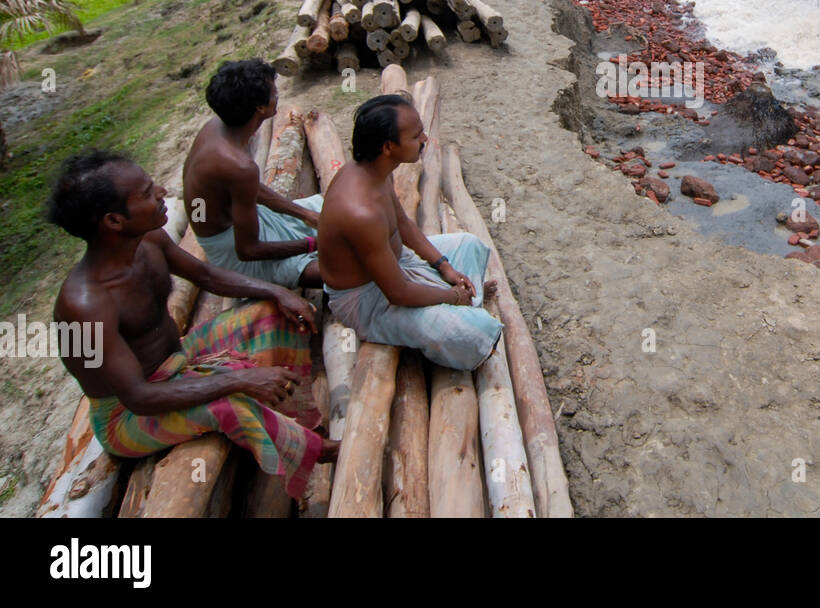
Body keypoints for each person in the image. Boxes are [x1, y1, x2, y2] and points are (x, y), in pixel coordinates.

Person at [48, 151, 336, 499]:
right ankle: (319, 451)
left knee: (272, 312)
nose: (161, 191)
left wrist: (276, 291)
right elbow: (138, 397)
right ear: (113, 221)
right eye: (145, 193)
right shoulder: (83, 305)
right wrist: (241, 379)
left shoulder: (149, 241)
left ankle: (295, 415)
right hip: (128, 415)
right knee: (229, 404)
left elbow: (205, 274)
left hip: (178, 359)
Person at [318, 94, 502, 371]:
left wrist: (444, 266)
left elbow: (403, 225)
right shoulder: (360, 212)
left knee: (469, 244)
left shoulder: (378, 171)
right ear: (389, 147)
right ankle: (457, 309)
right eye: (417, 136)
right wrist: (451, 295)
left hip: (397, 266)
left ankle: (456, 301)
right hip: (369, 299)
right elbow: (398, 293)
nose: (425, 139)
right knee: (476, 330)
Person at [183, 59, 322, 290]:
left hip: (247, 222)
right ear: (260, 107)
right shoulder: (238, 165)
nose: (277, 94)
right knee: (342, 271)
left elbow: (249, 189)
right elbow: (248, 251)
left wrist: (304, 213)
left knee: (329, 207)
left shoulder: (218, 125)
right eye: (273, 91)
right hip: (234, 252)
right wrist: (313, 244)